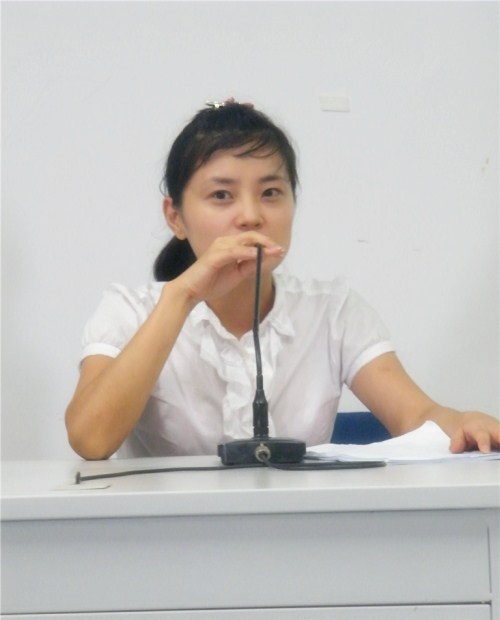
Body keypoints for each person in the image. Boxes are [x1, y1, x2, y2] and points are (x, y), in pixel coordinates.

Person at [65, 99, 500, 460]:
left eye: (271, 193)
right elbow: (90, 439)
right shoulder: (128, 310)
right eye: (221, 195)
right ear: (175, 216)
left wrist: (461, 422)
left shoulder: (332, 311)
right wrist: (183, 296)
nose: (251, 216)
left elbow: (417, 417)